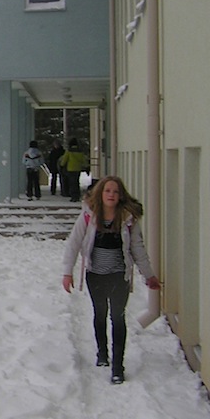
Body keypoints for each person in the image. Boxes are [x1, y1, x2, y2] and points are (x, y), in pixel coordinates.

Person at [62, 176, 161, 385]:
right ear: (101, 193)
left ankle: (118, 366)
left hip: (119, 276)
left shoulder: (128, 219)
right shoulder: (89, 215)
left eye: (115, 192)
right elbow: (74, 243)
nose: (111, 195)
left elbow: (137, 249)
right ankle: (102, 353)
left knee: (118, 318)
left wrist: (149, 275)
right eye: (108, 191)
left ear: (120, 195)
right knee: (100, 314)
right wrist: (67, 272)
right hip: (95, 275)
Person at [60, 138, 87, 202]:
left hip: (71, 168)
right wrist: (86, 166)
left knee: (72, 183)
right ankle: (77, 195)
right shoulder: (80, 151)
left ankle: (73, 196)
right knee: (76, 182)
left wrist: (62, 165)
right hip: (78, 168)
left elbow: (64, 159)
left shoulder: (69, 151)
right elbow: (84, 160)